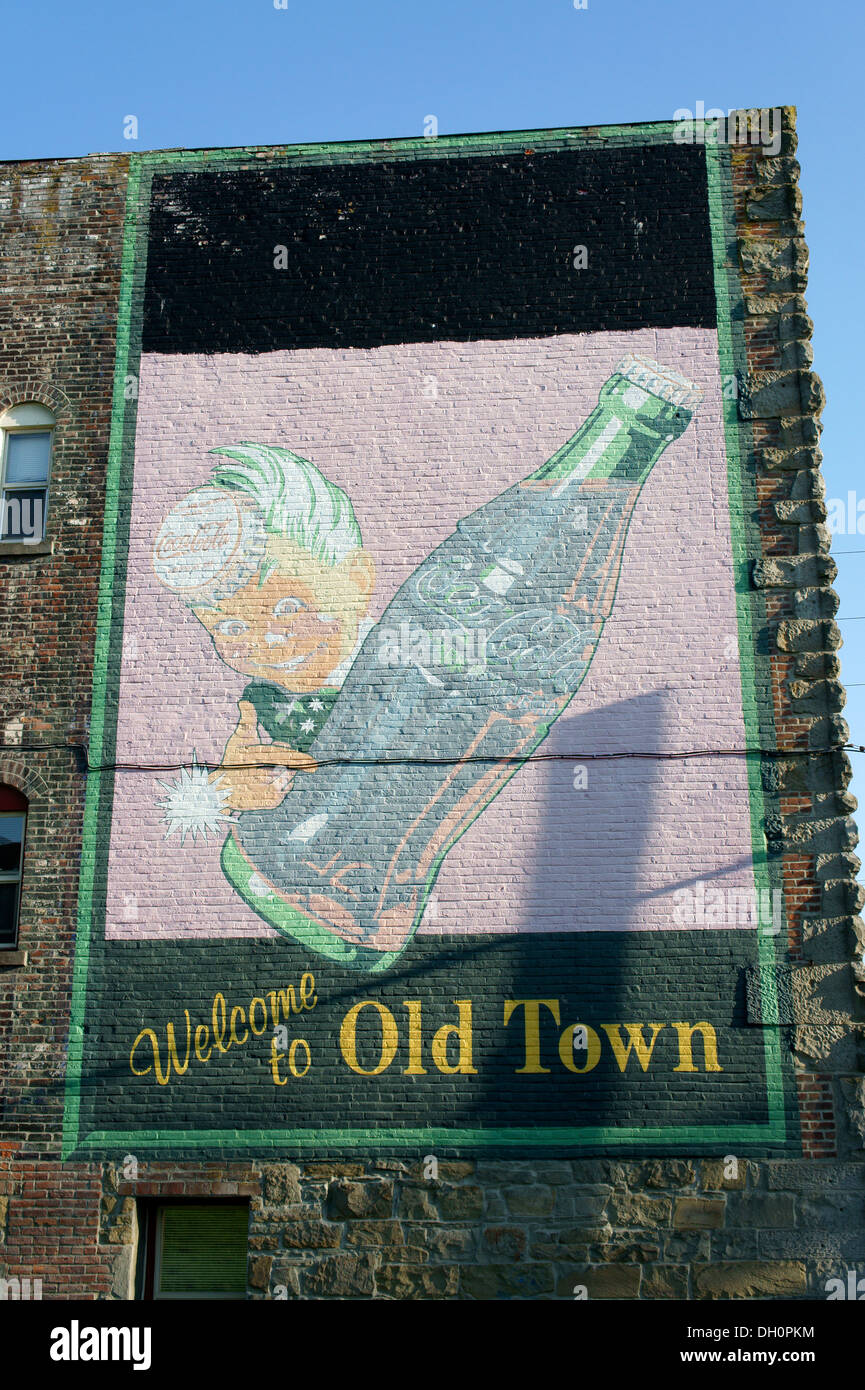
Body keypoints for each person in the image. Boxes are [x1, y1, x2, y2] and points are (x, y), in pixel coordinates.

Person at [153, 443, 375, 811]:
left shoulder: (408, 668)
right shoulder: (256, 708)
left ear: (357, 579)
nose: (267, 643)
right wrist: (224, 792)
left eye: (289, 607)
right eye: (232, 628)